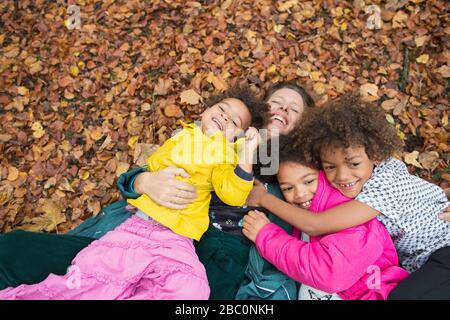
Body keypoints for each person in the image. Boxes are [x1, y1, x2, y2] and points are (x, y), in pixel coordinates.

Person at [0, 86, 263, 300]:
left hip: (177, 241)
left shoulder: (227, 159)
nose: (225, 118)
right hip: (138, 228)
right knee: (93, 283)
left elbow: (233, 193)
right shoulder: (183, 138)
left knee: (192, 289)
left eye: (234, 121)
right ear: (205, 111)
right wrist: (145, 181)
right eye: (221, 110)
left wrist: (244, 156)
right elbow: (155, 165)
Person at [244, 94, 450, 299]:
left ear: (375, 155)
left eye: (353, 163)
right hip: (423, 265)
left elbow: (316, 224)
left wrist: (264, 199)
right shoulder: (370, 181)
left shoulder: (385, 182)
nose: (342, 176)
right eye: (331, 167)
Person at [242, 136, 409, 300]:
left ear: (326, 171)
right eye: (287, 188)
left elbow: (329, 272)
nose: (300, 194)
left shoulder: (348, 215)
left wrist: (267, 236)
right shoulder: (299, 216)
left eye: (308, 182)